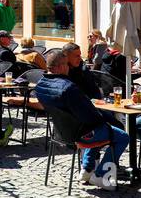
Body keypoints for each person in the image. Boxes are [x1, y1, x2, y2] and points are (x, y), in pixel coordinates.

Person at [36, 48, 129, 189]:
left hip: (62, 132)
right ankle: (101, 176)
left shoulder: (40, 86)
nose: (68, 68)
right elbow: (90, 116)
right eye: (67, 65)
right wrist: (105, 118)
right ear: (61, 67)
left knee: (100, 128)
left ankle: (86, 168)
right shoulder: (67, 88)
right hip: (81, 134)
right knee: (122, 136)